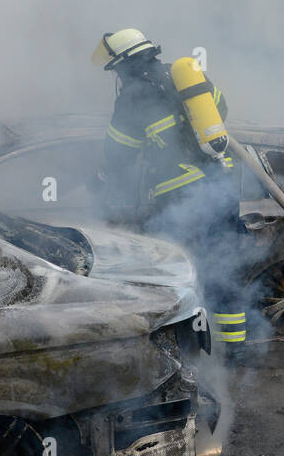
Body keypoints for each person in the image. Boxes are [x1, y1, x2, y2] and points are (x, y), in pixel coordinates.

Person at [91, 28, 248, 351]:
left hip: (179, 200)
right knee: (221, 271)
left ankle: (185, 351)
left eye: (117, 69)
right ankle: (235, 352)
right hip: (221, 190)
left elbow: (119, 153)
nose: (117, 75)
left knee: (175, 276)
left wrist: (105, 178)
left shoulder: (134, 96)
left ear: (126, 64)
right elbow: (222, 111)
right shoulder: (186, 77)